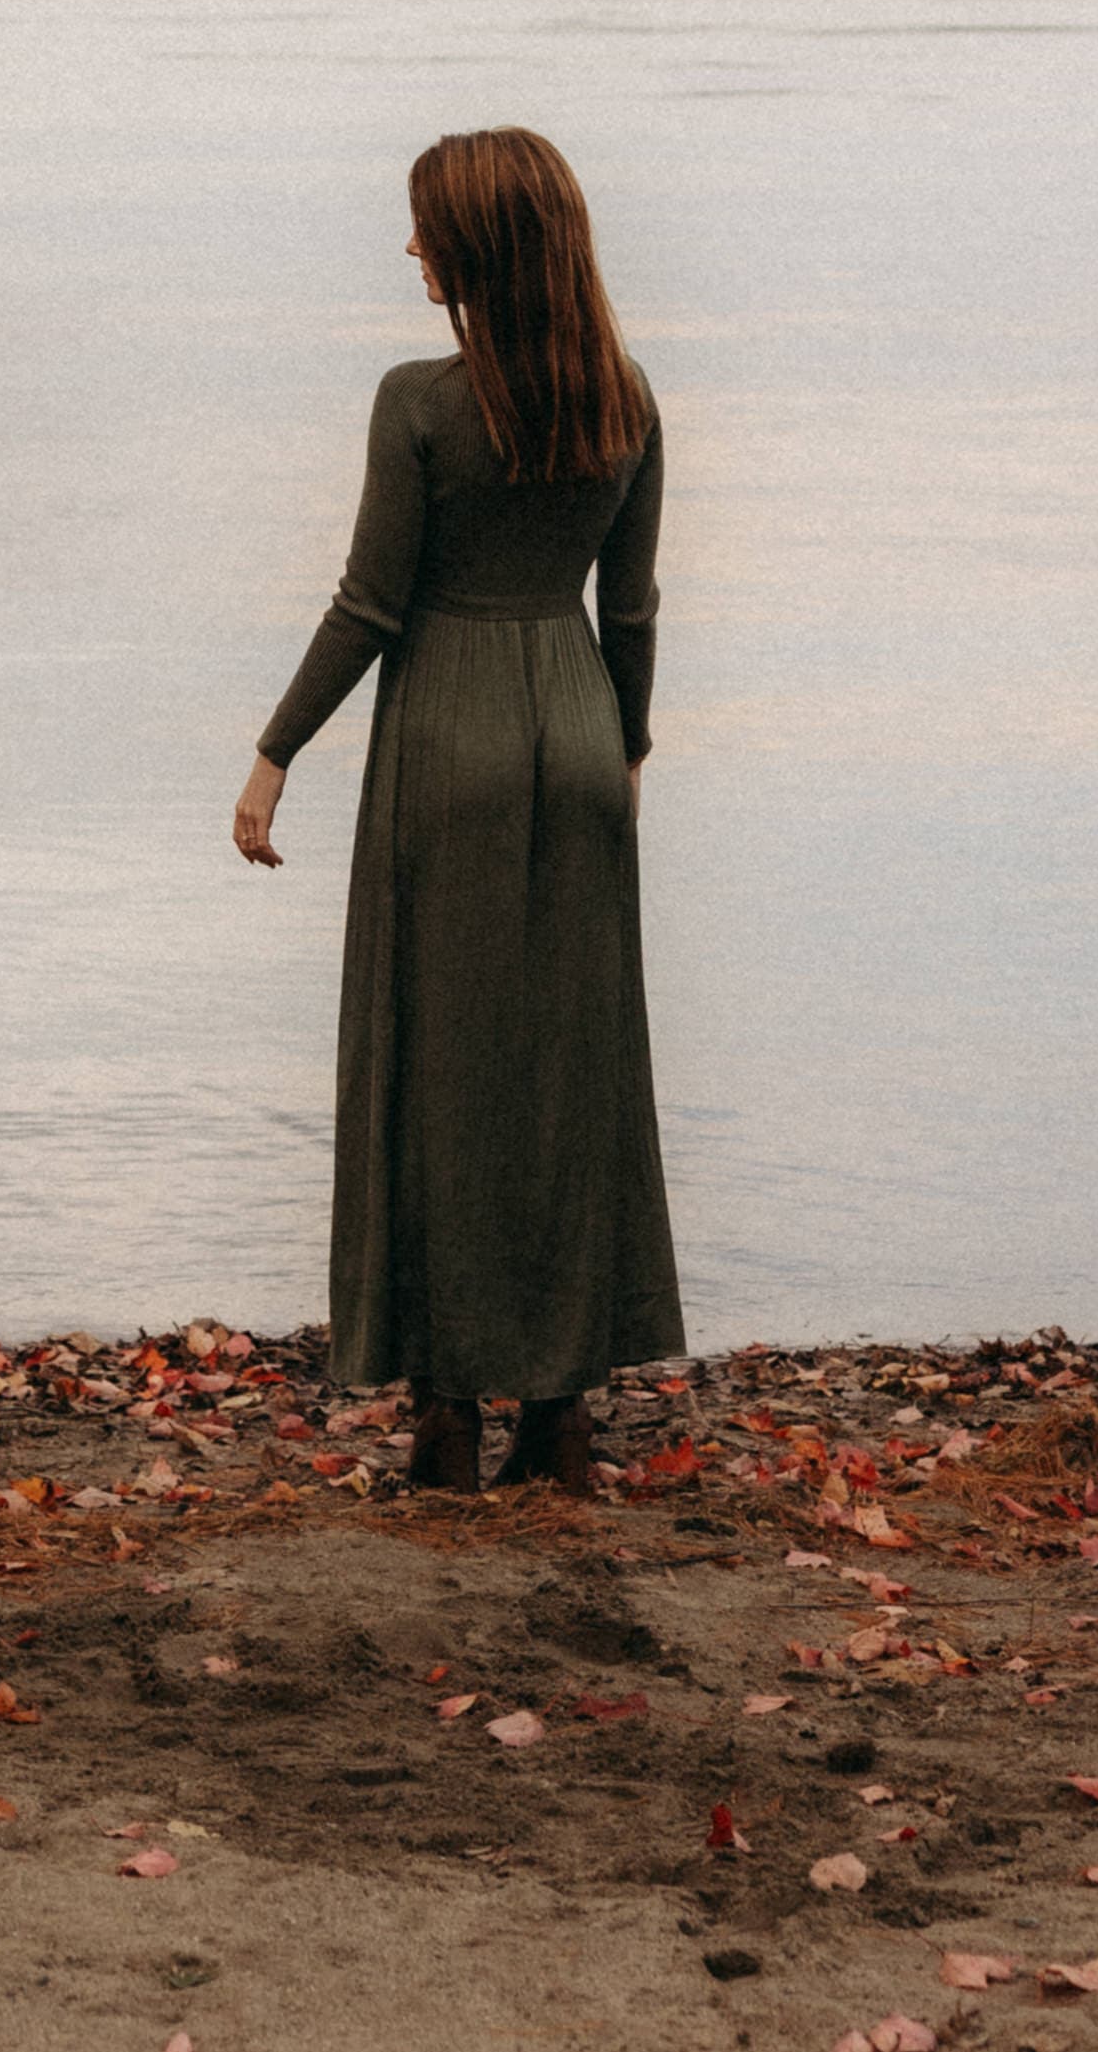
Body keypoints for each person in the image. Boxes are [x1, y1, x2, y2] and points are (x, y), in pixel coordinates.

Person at [233, 124, 681, 1494]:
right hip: (579, 724)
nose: (413, 247)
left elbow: (371, 602)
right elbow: (636, 604)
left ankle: (444, 1410)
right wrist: (628, 746)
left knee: (431, 1065)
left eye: (426, 228)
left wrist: (274, 750)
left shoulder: (418, 404)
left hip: (448, 733)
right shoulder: (630, 398)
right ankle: (562, 1411)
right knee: (572, 1075)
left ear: (477, 250)